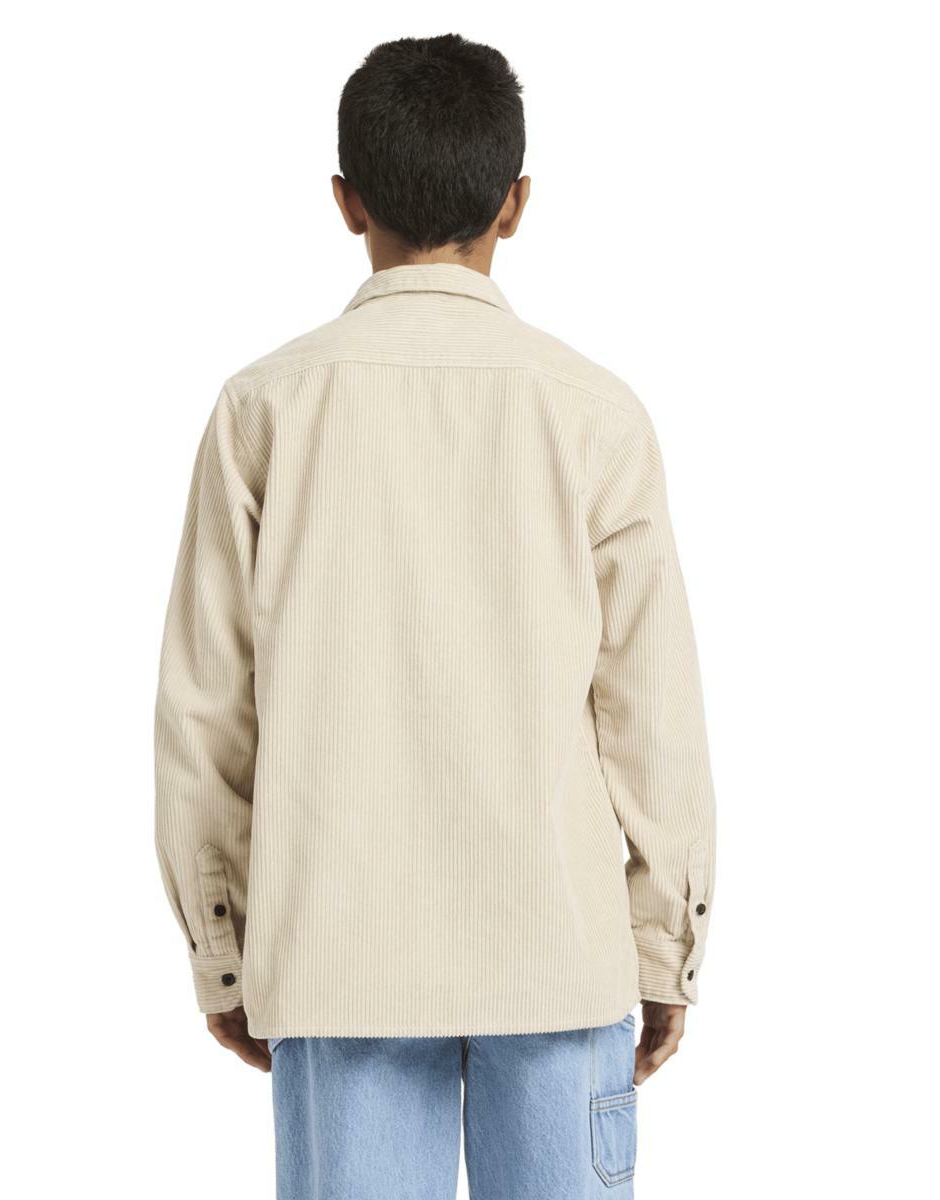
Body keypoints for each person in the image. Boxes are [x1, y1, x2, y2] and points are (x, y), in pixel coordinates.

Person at [154, 33, 716, 1200]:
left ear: (346, 201)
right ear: (515, 204)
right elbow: (650, 716)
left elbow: (206, 715)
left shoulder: (264, 410)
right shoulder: (595, 414)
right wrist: (663, 947)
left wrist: (224, 947)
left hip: (338, 959)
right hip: (558, 958)